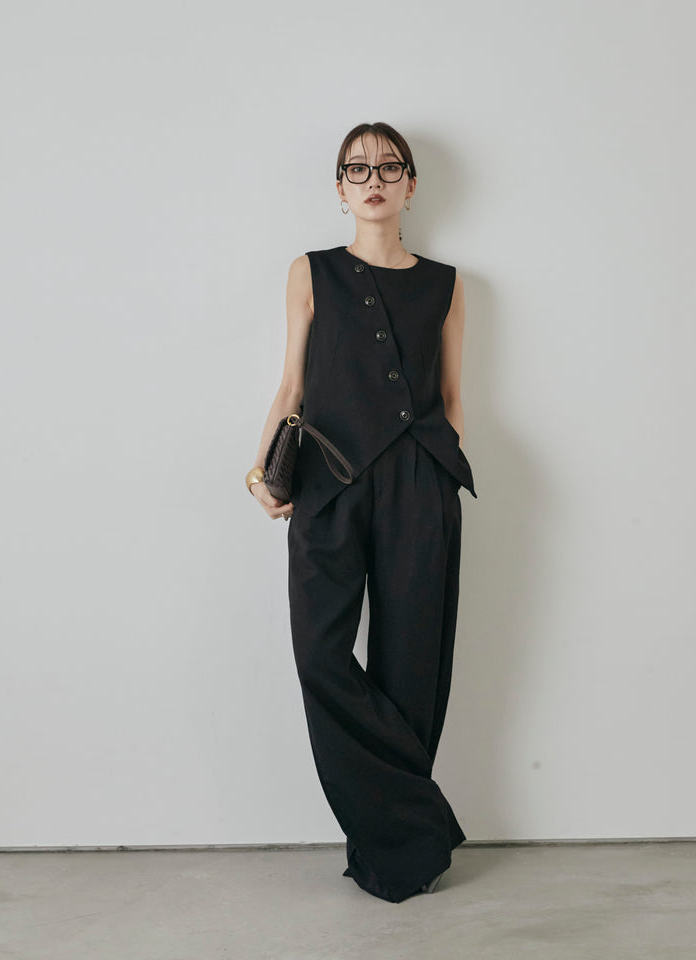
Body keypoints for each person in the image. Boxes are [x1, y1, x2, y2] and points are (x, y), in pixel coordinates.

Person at [245, 122, 478, 903]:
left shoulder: (447, 284)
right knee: (319, 654)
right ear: (340, 189)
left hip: (420, 484)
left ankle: (398, 855)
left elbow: (452, 398)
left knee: (413, 667)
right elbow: (291, 387)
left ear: (411, 184)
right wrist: (263, 468)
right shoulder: (310, 272)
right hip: (328, 483)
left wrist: (439, 475)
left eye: (388, 167)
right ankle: (420, 821)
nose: (372, 179)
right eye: (357, 168)